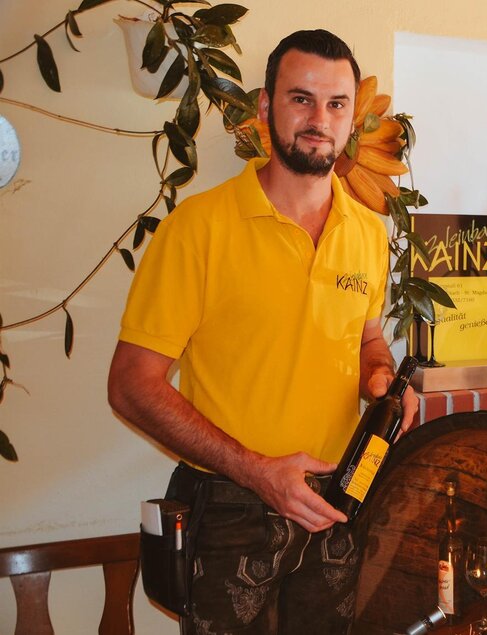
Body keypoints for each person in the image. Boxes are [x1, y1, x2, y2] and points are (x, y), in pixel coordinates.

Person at [107, 29, 417, 634]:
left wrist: (382, 379)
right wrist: (256, 471)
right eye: (300, 99)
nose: (318, 119)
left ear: (354, 119)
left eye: (336, 104)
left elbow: (365, 339)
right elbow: (131, 386)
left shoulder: (368, 233)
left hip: (336, 503)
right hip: (228, 508)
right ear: (264, 107)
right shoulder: (197, 228)